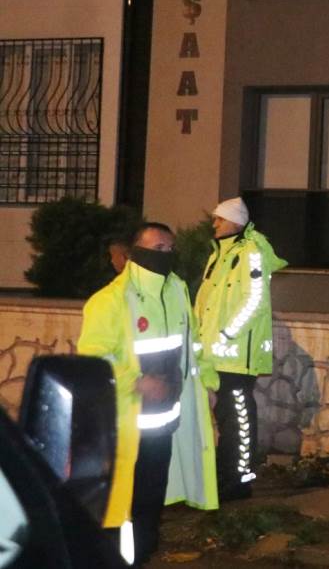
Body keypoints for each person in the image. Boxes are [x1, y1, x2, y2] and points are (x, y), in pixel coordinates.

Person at [78, 222, 219, 566]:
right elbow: (93, 356)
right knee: (122, 498)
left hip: (165, 420)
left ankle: (142, 551)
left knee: (152, 493)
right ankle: (119, 557)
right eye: (158, 248)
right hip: (126, 423)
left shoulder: (177, 291)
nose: (166, 254)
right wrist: (136, 381)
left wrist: (208, 382)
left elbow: (193, 343)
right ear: (136, 252)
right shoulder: (110, 300)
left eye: (170, 249)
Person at [194, 197, 286, 502]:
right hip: (216, 356)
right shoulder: (219, 254)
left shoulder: (250, 252)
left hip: (236, 357)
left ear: (234, 221)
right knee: (227, 419)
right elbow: (206, 302)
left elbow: (255, 300)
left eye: (219, 219)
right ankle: (225, 477)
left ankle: (238, 481)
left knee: (238, 419)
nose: (214, 224)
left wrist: (226, 334)